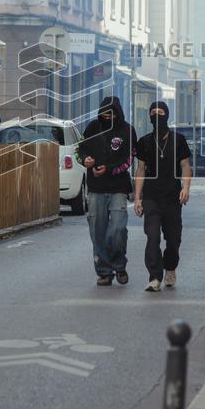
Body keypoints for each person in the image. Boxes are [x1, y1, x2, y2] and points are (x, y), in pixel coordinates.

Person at [75, 96, 134, 286]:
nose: (108, 117)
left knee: (117, 229)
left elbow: (128, 160)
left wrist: (107, 169)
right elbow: (79, 150)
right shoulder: (92, 128)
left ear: (118, 112)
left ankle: (119, 264)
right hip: (95, 189)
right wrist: (85, 160)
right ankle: (104, 272)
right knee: (97, 231)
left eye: (112, 113)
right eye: (105, 113)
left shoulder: (127, 130)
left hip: (118, 188)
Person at [134, 101, 191, 292]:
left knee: (173, 239)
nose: (157, 115)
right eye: (153, 113)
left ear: (167, 115)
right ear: (149, 117)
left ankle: (171, 267)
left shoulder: (179, 140)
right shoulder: (144, 142)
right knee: (152, 236)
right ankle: (154, 277)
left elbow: (185, 166)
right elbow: (140, 169)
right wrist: (137, 198)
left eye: (160, 112)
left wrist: (186, 187)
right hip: (151, 197)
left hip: (173, 197)